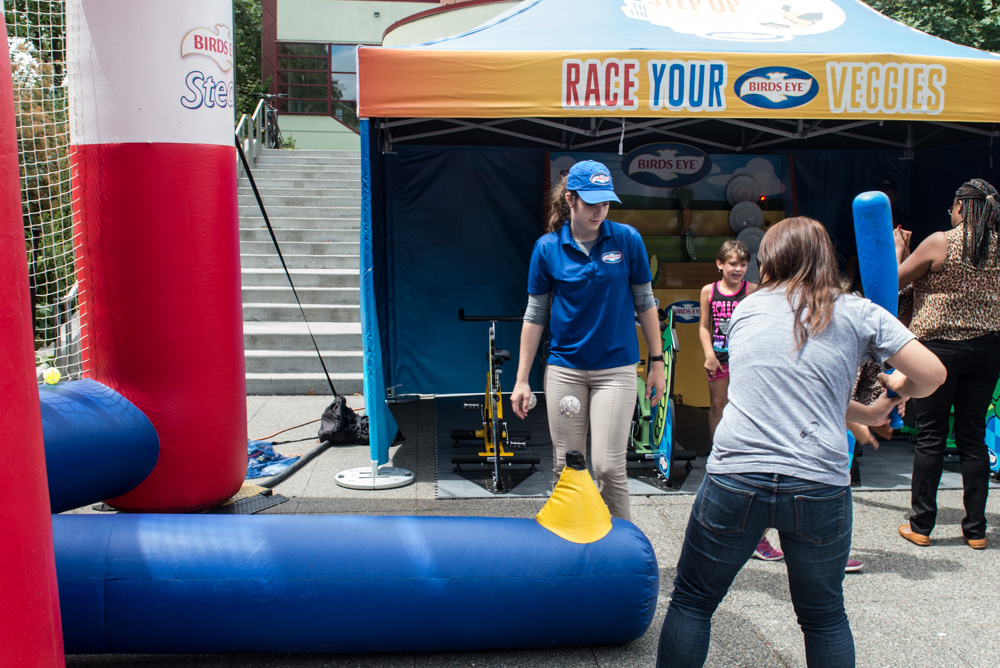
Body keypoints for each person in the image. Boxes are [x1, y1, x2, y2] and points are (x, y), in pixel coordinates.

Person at [656, 216, 945, 668]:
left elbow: (784, 388)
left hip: (736, 477)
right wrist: (894, 389)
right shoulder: (857, 311)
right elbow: (932, 376)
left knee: (693, 602)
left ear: (769, 260)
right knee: (824, 617)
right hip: (817, 484)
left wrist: (867, 413)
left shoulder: (746, 310)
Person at [509, 160, 665, 521]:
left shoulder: (627, 239)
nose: (600, 210)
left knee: (609, 467)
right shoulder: (547, 248)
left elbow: (645, 302)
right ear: (570, 199)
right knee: (567, 468)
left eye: (606, 202)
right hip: (566, 371)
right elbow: (535, 315)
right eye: (592, 202)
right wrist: (521, 379)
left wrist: (656, 363)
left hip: (617, 370)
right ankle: (571, 550)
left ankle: (624, 555)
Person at [895, 177, 1000, 550]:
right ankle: (975, 530)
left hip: (939, 350)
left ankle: (922, 525)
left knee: (932, 436)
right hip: (988, 349)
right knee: (972, 437)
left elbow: (895, 282)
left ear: (960, 206)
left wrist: (899, 250)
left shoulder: (941, 241)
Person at [698, 240, 784, 562]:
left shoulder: (753, 290)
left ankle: (745, 452)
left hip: (747, 357)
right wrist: (708, 354)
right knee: (718, 406)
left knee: (747, 407)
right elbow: (704, 327)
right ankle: (717, 451)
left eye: (742, 263)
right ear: (719, 264)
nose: (737, 268)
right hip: (718, 358)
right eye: (731, 263)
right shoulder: (709, 291)